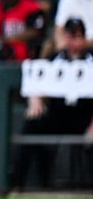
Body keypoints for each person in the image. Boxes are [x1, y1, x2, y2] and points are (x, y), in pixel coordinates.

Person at [11, 18, 93, 189]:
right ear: (65, 37)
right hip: (59, 115)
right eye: (71, 36)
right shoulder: (54, 58)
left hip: (85, 117)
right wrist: (35, 100)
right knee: (32, 123)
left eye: (79, 36)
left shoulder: (91, 59)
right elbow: (35, 80)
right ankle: (17, 185)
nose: (75, 41)